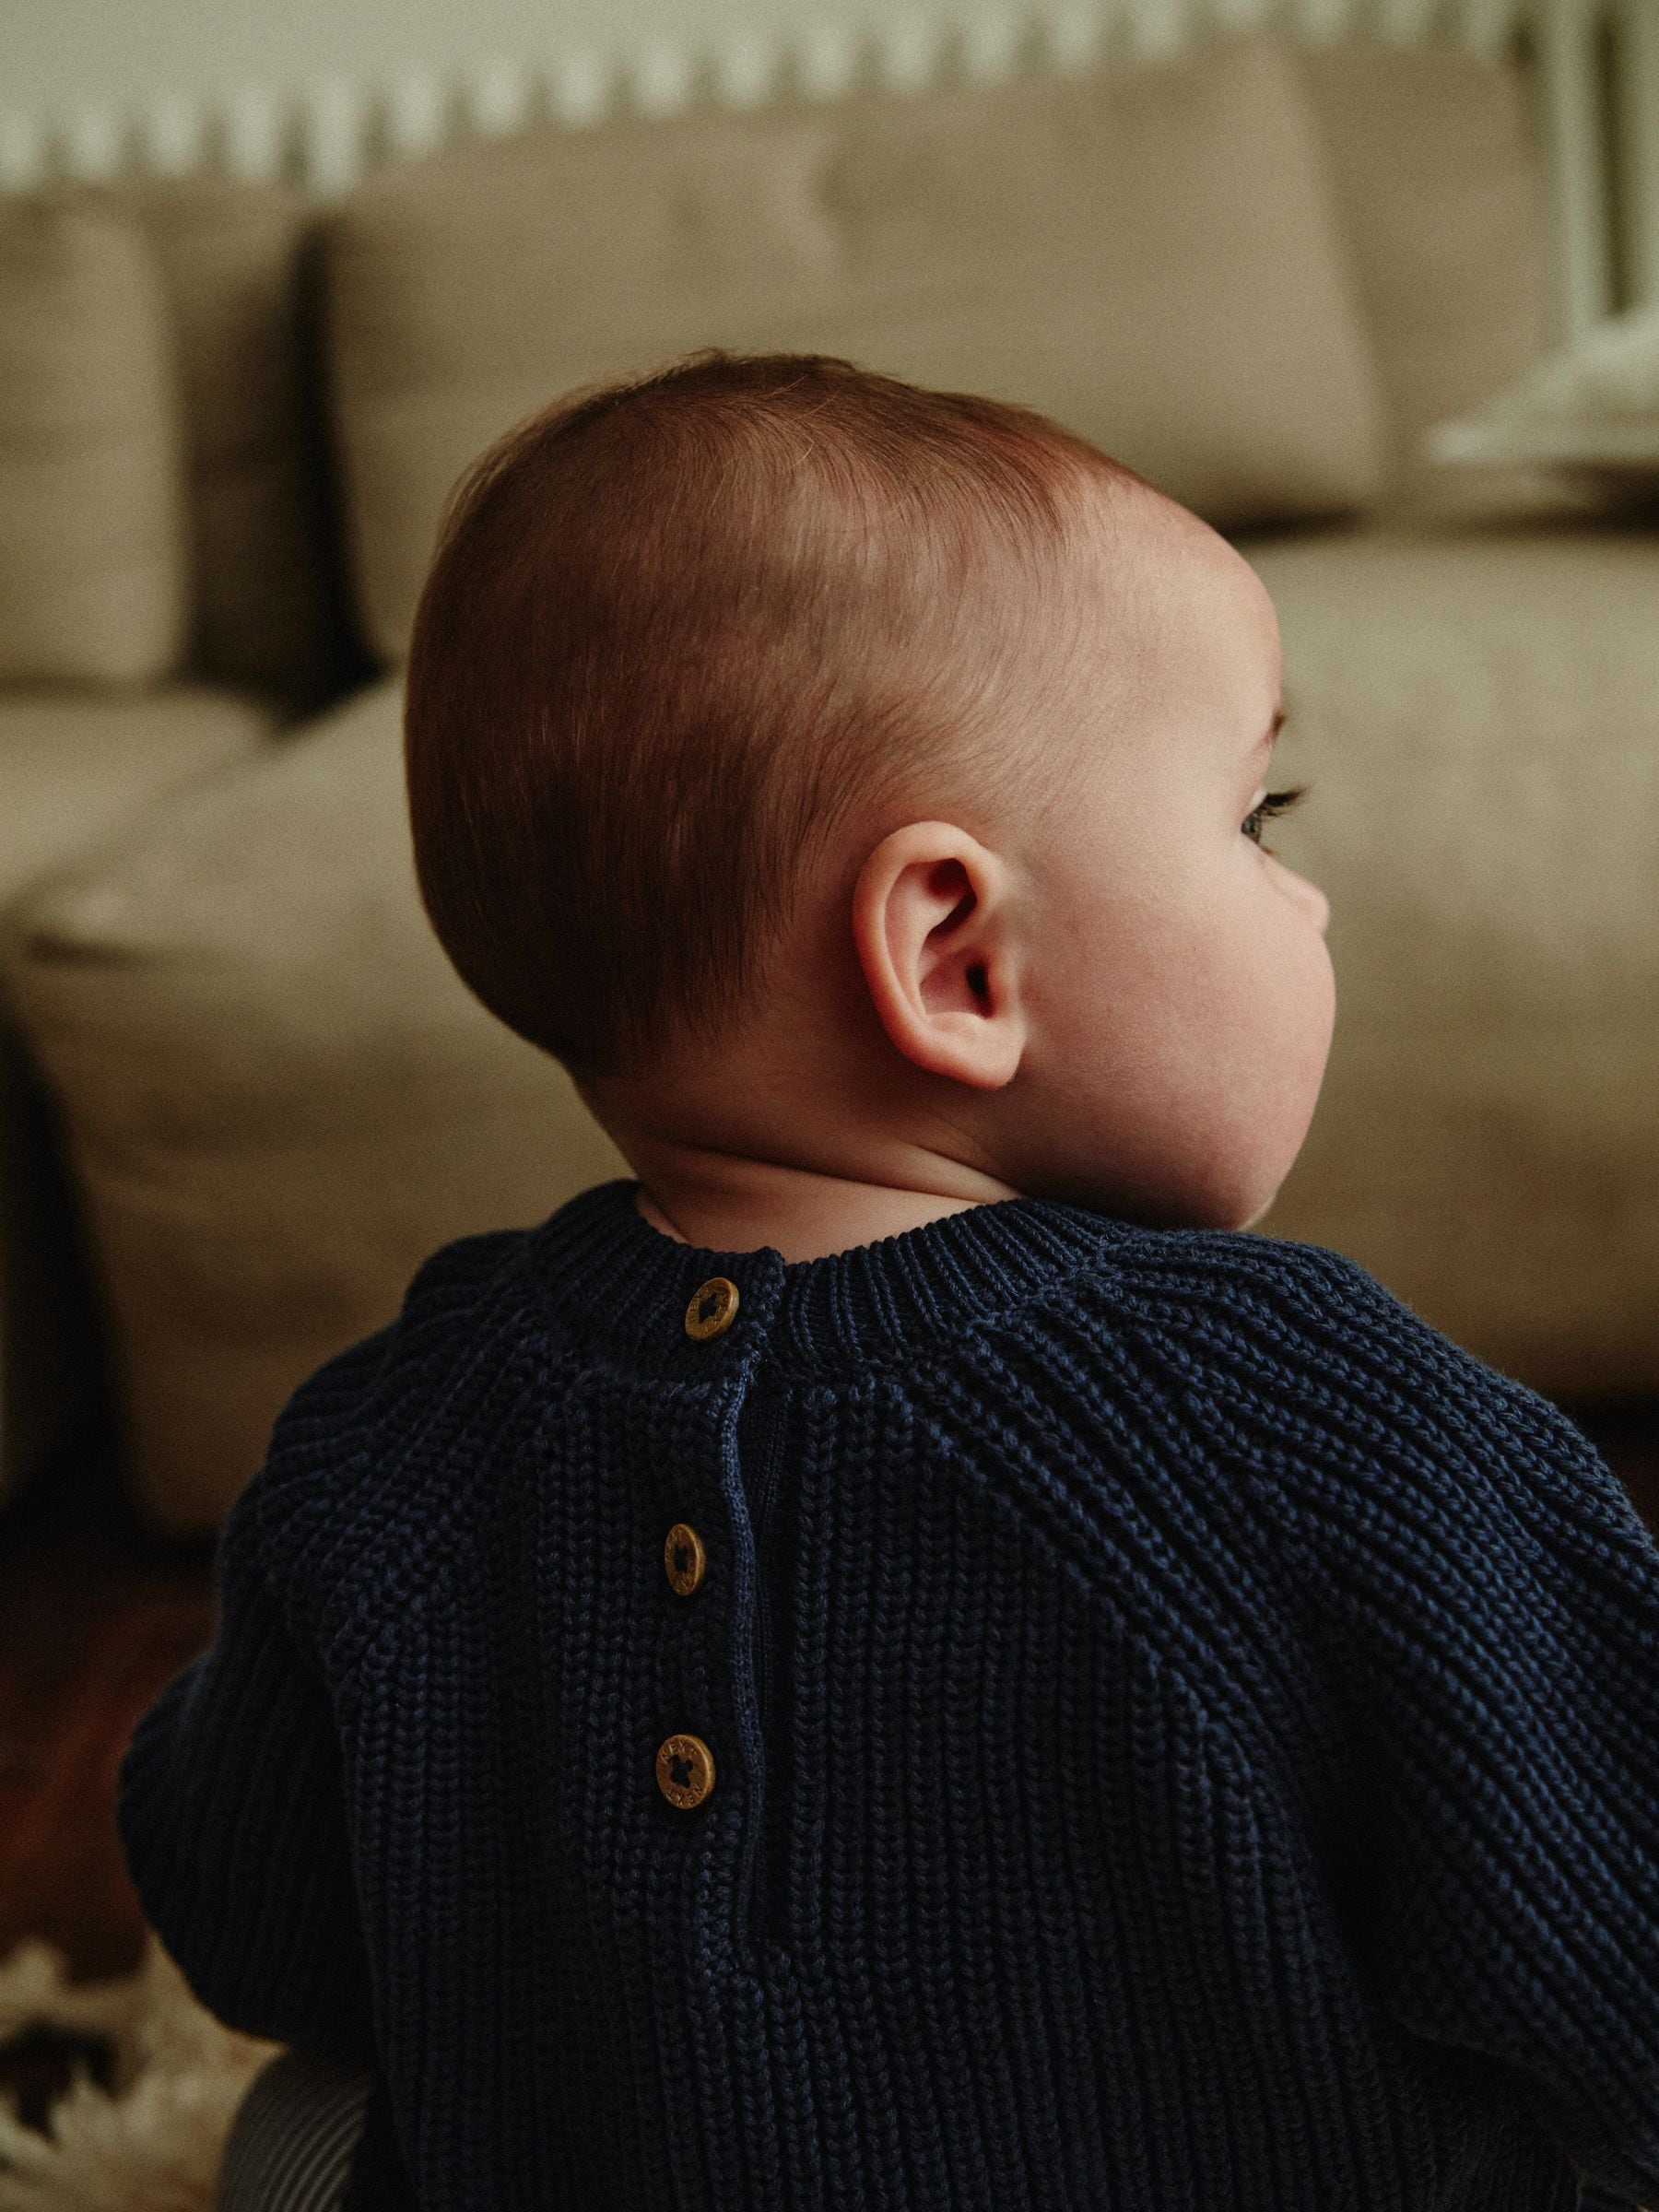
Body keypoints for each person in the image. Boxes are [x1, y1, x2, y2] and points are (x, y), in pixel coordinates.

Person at [124, 350, 1658, 2212]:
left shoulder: (394, 1434)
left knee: (299, 2130)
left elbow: (256, 1934)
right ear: (955, 957)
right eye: (1258, 823)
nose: (1306, 901)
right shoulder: (1304, 1410)